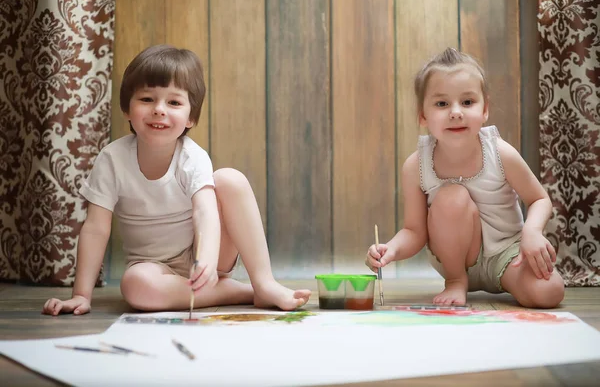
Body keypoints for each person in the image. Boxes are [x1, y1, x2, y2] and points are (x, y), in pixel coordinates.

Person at [43, 45, 311, 316]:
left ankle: (264, 282)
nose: (159, 110)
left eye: (173, 102)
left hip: (205, 256)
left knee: (230, 179)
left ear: (191, 117)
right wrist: (81, 294)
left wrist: (205, 258)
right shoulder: (112, 159)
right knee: (135, 286)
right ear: (127, 109)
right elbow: (96, 229)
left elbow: (204, 211)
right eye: (147, 99)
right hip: (152, 267)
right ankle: (246, 292)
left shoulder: (191, 157)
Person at [365, 48, 564, 308]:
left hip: (506, 253)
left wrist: (532, 232)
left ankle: (507, 279)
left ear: (485, 109)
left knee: (550, 291)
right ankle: (456, 281)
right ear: (423, 115)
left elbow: (539, 199)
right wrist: (390, 249)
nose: (456, 112)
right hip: (454, 259)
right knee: (451, 196)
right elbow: (415, 231)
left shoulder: (501, 153)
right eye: (442, 104)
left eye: (467, 102)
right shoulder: (416, 166)